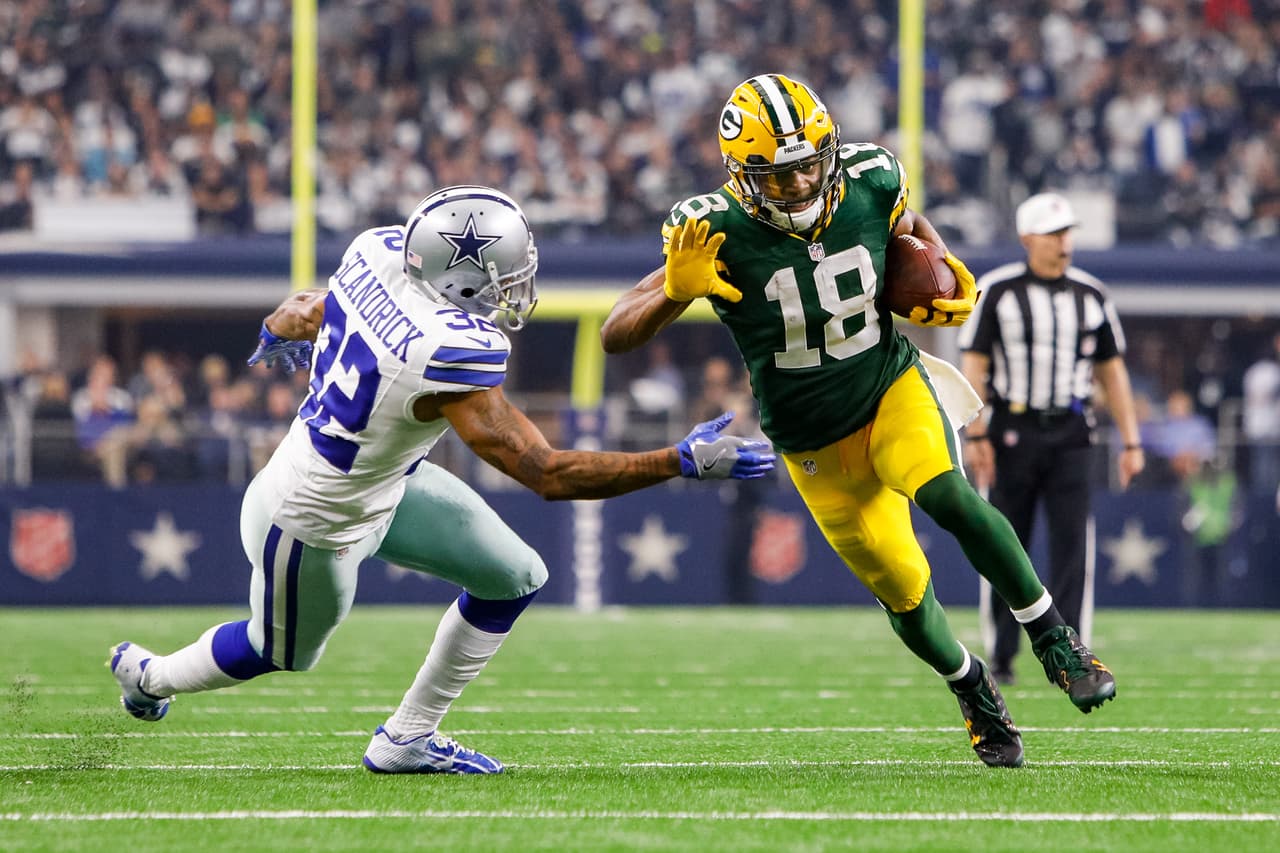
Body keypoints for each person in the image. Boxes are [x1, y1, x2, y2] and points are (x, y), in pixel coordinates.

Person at [108, 185, 774, 774]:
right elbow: (546, 472)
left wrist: (273, 330)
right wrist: (677, 460)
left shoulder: (376, 253)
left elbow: (306, 307)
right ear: (459, 281)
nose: (514, 288)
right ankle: (150, 675)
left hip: (381, 485)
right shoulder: (448, 349)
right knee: (275, 649)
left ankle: (409, 736)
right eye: (504, 276)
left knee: (514, 574)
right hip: (311, 520)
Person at [600, 74, 1117, 769]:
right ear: (742, 175)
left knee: (947, 494)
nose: (803, 181)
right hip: (813, 442)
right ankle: (971, 684)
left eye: (812, 162)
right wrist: (672, 291)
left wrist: (941, 270)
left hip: (888, 386)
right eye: (780, 176)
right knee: (907, 596)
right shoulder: (709, 227)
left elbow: (909, 234)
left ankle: (1054, 636)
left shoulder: (872, 176)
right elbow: (614, 333)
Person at [957, 191, 1145, 685]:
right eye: (1054, 234)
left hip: (1071, 432)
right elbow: (973, 364)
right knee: (1002, 544)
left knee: (1072, 548)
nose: (1064, 243)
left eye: (1067, 233)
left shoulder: (1091, 294)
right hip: (1010, 430)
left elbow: (1112, 371)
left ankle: (1072, 653)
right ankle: (1001, 654)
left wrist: (1131, 441)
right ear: (1027, 238)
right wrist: (975, 431)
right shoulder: (997, 291)